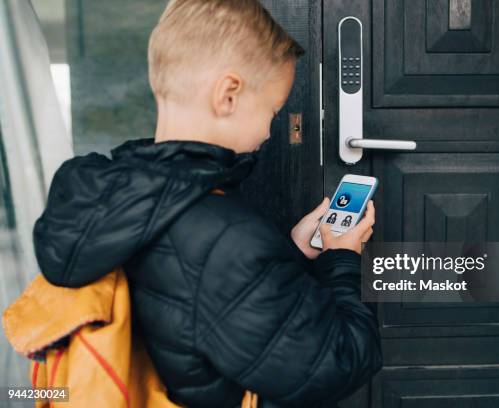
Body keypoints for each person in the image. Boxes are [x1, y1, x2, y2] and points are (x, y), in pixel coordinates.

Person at [31, 0, 382, 407]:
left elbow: (199, 294)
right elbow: (342, 359)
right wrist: (340, 259)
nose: (270, 131)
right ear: (228, 94)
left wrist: (290, 251)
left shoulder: (119, 198)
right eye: (271, 110)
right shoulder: (223, 234)